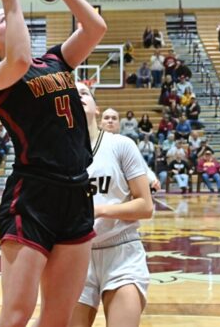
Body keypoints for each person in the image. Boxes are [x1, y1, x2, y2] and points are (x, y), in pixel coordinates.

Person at [0, 0, 107, 327]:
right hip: (32, 196)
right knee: (16, 316)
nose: (11, 18)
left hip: (76, 193)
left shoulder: (55, 61)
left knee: (57, 319)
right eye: (2, 21)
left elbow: (96, 27)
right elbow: (17, 59)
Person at [69, 82, 152, 327]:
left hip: (122, 251)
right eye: (73, 95)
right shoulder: (57, 155)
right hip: (74, 255)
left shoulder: (120, 145)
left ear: (96, 109)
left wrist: (98, 210)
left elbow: (145, 207)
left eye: (84, 93)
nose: (79, 97)